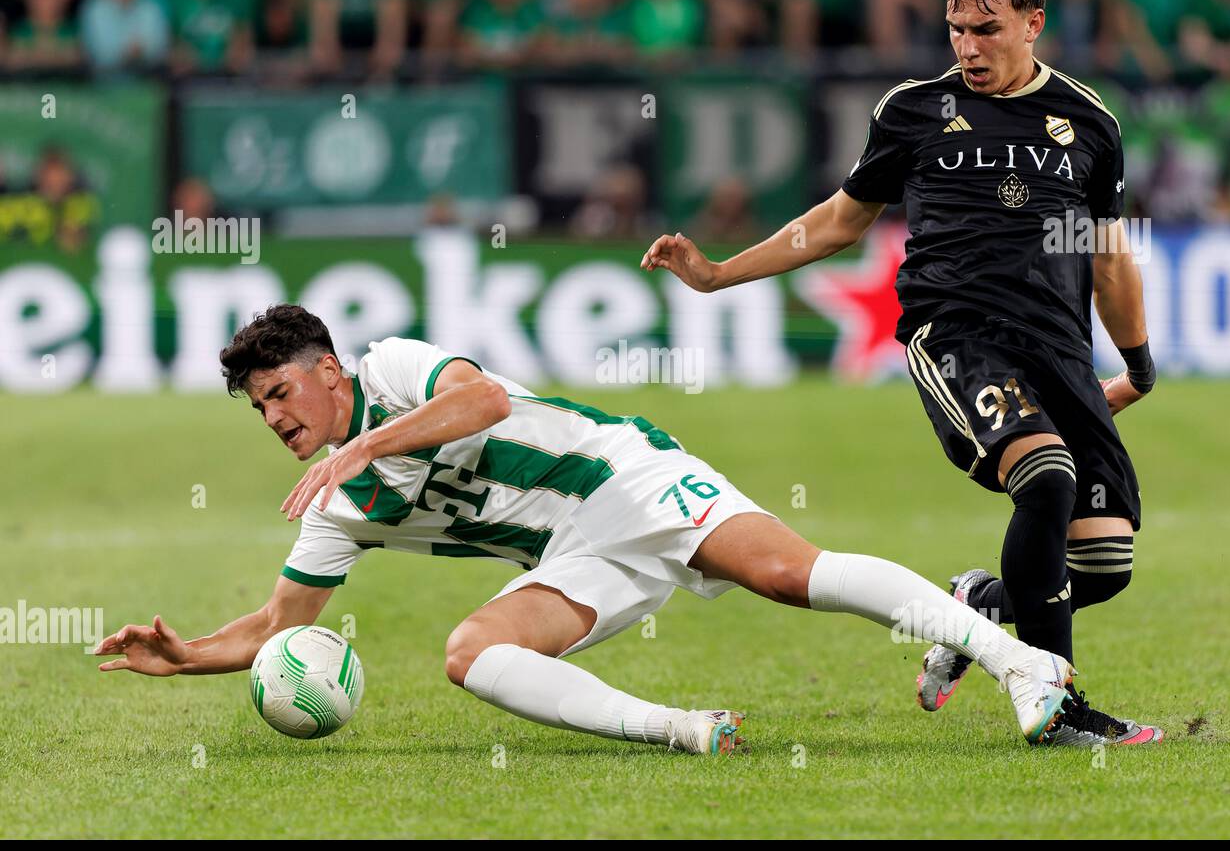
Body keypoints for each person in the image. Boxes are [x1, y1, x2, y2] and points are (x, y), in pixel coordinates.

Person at [94, 304, 1075, 755]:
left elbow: (477, 401)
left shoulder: (392, 368)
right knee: (470, 652)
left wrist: (361, 446)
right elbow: (278, 623)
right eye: (257, 407)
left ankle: (1020, 661)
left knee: (784, 573)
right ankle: (681, 730)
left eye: (279, 393)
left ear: (330, 374)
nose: (273, 417)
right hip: (579, 556)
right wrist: (185, 657)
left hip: (624, 474)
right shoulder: (338, 504)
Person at [642, 0, 1162, 746]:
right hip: (955, 334)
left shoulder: (1088, 124)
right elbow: (837, 224)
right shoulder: (916, 111)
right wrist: (716, 274)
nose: (968, 46)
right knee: (1048, 475)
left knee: (1101, 565)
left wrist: (1138, 362)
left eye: (986, 29)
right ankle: (1057, 704)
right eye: (956, 28)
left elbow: (1108, 260)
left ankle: (975, 608)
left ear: (1033, 20)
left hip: (1060, 350)